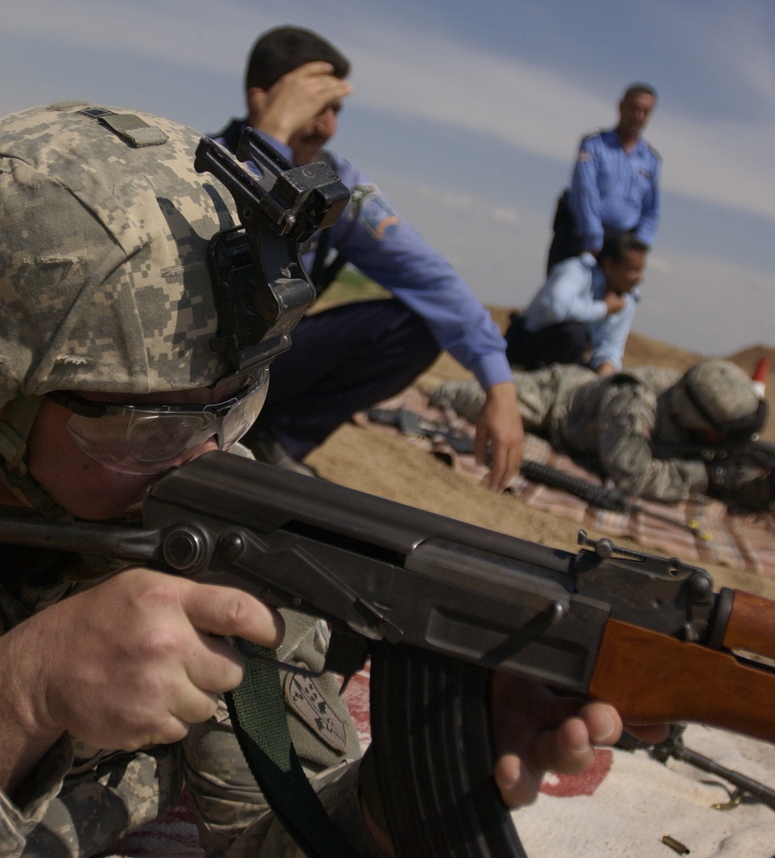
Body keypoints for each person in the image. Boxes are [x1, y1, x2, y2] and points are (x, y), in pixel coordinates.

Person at [0, 101, 630, 858]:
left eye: (238, 402)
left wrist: (401, 804)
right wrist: (20, 695)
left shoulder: (208, 502)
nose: (209, 460)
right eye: (151, 427)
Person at [215, 26, 524, 490]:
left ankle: (274, 441)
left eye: (335, 109)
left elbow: (426, 275)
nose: (327, 127)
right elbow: (214, 235)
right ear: (259, 100)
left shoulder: (333, 183)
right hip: (196, 358)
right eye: (313, 106)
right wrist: (271, 139)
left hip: (270, 359)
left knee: (416, 324)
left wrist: (498, 384)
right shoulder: (201, 163)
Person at [431, 357, 771, 507]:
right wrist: (710, 477)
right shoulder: (633, 403)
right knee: (466, 397)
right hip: (554, 403)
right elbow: (633, 475)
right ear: (699, 420)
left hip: (586, 412)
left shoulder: (683, 411)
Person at [547, 85, 660, 272]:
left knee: (611, 301)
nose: (638, 116)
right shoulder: (594, 145)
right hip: (579, 238)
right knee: (560, 296)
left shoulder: (650, 161)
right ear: (621, 107)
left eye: (645, 112)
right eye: (634, 108)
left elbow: (651, 211)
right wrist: (593, 238)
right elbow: (585, 190)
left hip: (619, 250)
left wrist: (636, 248)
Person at [505, 231, 648, 375]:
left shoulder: (627, 299)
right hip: (526, 345)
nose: (639, 278)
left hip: (570, 359)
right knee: (575, 334)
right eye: (633, 270)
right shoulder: (577, 271)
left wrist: (601, 384)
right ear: (610, 265)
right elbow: (557, 309)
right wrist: (603, 308)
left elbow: (610, 349)